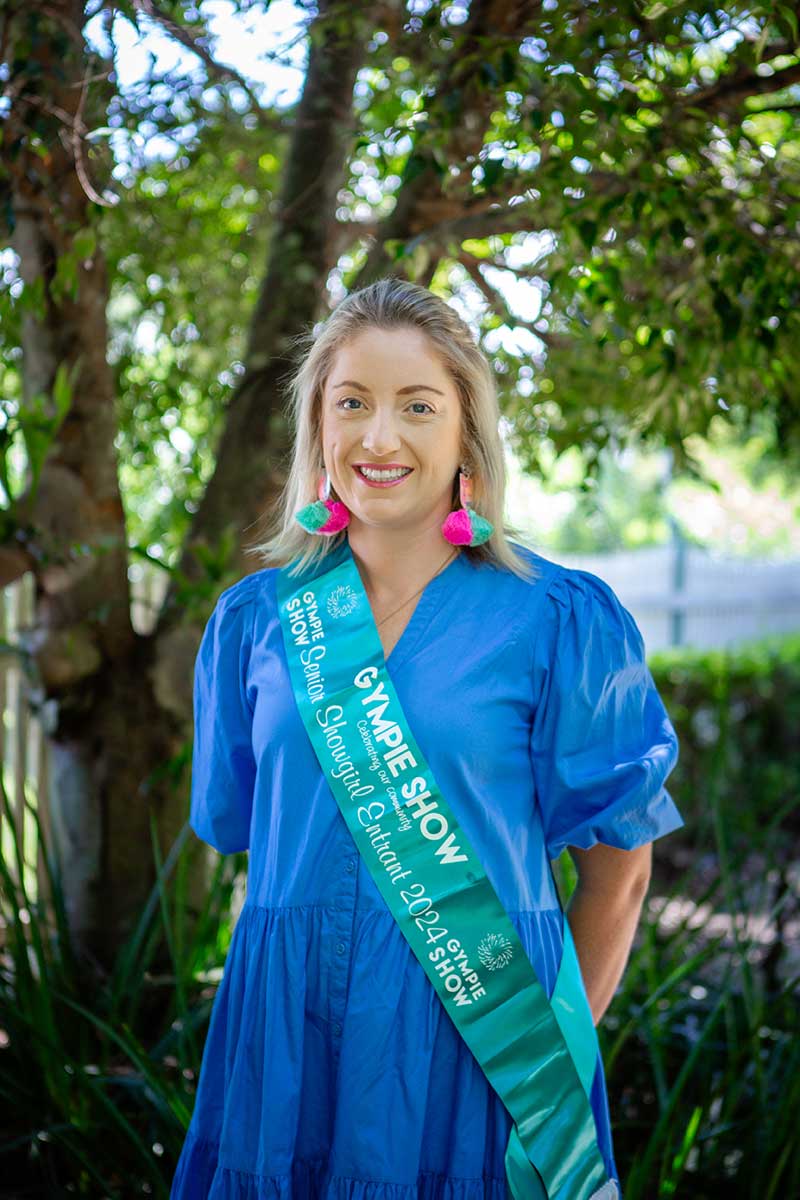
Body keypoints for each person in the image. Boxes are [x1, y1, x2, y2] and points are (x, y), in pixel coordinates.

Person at [170, 277, 684, 1199]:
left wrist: (550, 1060)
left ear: (463, 433)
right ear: (318, 430)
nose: (379, 437)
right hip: (291, 1047)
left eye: (417, 406)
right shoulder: (254, 624)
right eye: (352, 403)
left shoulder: (556, 618)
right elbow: (253, 840)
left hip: (479, 1045)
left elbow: (622, 869)